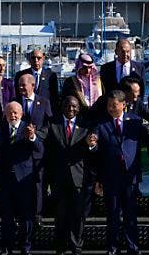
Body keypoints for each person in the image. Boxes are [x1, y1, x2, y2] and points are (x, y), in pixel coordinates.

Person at [89, 91, 149, 255]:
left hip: (130, 177)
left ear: (123, 104)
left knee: (131, 215)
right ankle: (113, 247)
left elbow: (148, 140)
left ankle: (133, 247)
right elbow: (95, 149)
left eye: (114, 105)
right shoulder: (101, 123)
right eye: (109, 105)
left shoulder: (135, 121)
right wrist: (91, 144)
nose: (111, 108)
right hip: (110, 177)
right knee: (113, 216)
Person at [0, 101, 44, 255]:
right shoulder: (0, 128)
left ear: (21, 113)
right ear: (5, 114)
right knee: (7, 216)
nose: (12, 115)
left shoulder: (28, 127)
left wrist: (32, 137)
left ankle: (26, 246)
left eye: (15, 112)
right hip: (6, 179)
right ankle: (6, 246)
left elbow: (39, 149)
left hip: (24, 179)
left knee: (26, 216)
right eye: (9, 112)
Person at [45, 95, 93, 255]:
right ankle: (60, 246)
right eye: (67, 106)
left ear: (78, 108)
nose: (70, 109)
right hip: (59, 178)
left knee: (78, 215)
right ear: (62, 106)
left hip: (79, 178)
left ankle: (76, 246)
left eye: (74, 106)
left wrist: (92, 146)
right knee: (60, 215)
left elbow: (93, 151)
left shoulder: (86, 126)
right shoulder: (53, 124)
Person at [60, 53, 104, 124]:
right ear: (79, 67)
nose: (88, 70)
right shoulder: (70, 82)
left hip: (97, 118)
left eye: (90, 67)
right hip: (79, 120)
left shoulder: (98, 81)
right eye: (84, 67)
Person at [17, 47, 61, 111]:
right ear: (29, 59)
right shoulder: (21, 75)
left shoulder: (51, 76)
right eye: (33, 58)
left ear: (43, 59)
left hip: (44, 112)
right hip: (26, 111)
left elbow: (54, 97)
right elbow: (17, 95)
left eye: (38, 58)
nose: (36, 60)